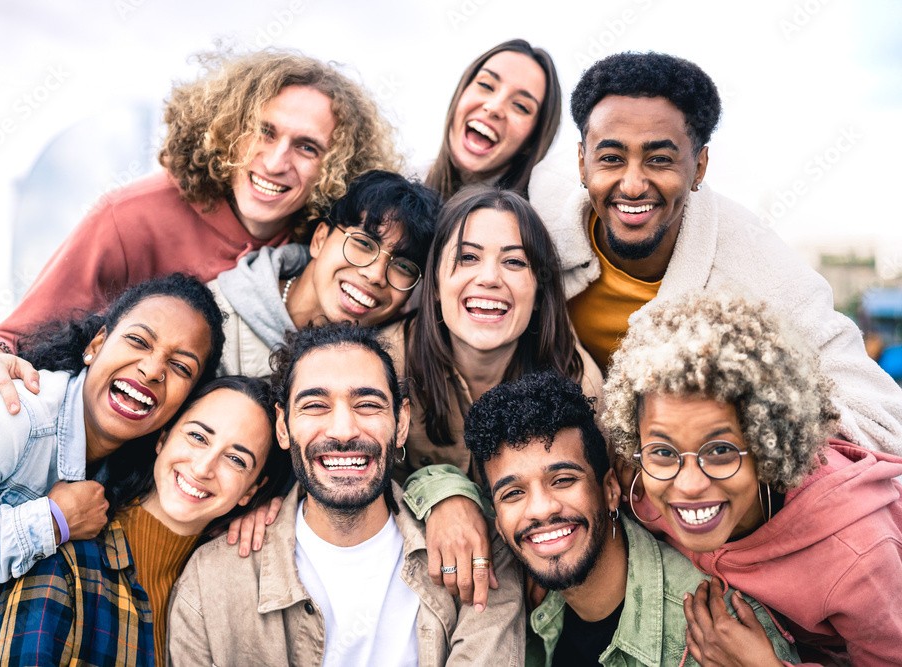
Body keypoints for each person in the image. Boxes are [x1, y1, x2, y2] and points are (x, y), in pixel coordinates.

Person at [0, 49, 400, 434]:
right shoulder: (131, 216)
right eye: (264, 131)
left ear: (335, 167)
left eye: (307, 147)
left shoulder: (324, 244)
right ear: (227, 129)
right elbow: (16, 338)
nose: (277, 161)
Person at [527, 50, 902, 454]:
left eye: (659, 160)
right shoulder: (541, 205)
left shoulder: (759, 268)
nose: (632, 184)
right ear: (582, 163)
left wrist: (735, 425)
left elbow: (882, 417)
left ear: (700, 166)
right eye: (612, 158)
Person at [0, 273, 223, 663]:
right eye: (138, 341)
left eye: (181, 367)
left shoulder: (122, 469)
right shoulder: (8, 415)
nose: (153, 370)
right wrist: (48, 523)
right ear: (96, 345)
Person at [168, 324, 525, 666]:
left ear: (401, 423)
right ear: (283, 426)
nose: (343, 430)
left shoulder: (479, 553)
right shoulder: (211, 578)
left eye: (368, 404)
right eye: (315, 405)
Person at [602, 292, 902, 665]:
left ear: (767, 447)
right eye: (664, 452)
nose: (690, 485)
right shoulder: (643, 488)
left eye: (720, 451)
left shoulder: (858, 556)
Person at [463, 371, 798, 667]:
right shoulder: (518, 590)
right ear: (498, 524)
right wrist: (443, 495)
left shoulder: (719, 632)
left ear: (610, 490)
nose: (540, 510)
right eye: (513, 494)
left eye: (563, 480)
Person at [386, 185, 602, 609]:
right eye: (467, 257)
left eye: (514, 261)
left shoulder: (577, 382)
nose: (488, 277)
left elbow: (602, 500)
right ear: (433, 285)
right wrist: (440, 493)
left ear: (539, 291)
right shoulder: (385, 365)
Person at [0, 375, 292, 666]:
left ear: (250, 490)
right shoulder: (65, 563)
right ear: (163, 438)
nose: (203, 468)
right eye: (197, 436)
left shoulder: (226, 586)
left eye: (236, 460)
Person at [208, 169, 440, 377]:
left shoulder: (389, 370)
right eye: (363, 243)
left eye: (403, 267)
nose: (376, 275)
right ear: (319, 239)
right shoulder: (214, 319)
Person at [425, 39, 561, 200]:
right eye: (486, 85)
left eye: (521, 106)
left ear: (531, 142)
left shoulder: (535, 219)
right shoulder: (399, 186)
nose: (495, 107)